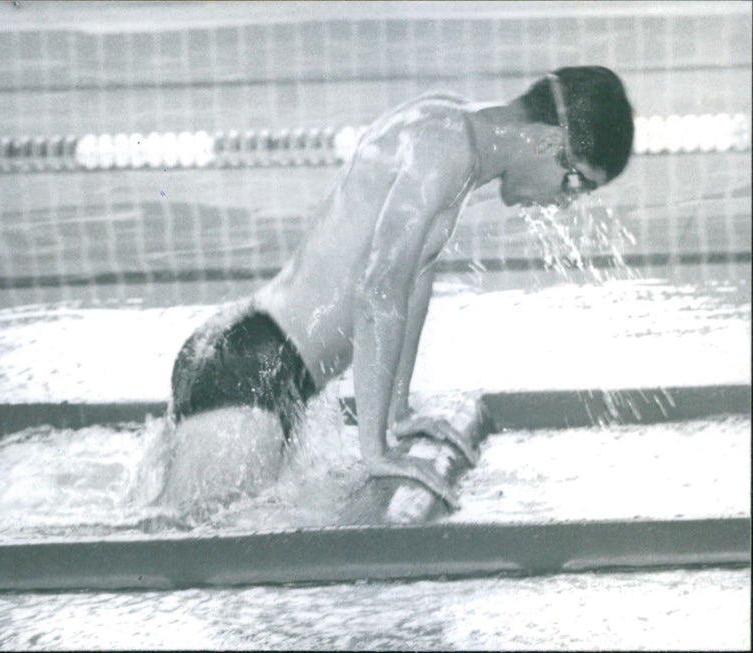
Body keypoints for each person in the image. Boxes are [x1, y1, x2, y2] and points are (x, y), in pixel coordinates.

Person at [169, 66, 634, 509]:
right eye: (576, 182)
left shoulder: (454, 129)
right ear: (549, 142)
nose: (565, 202)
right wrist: (375, 451)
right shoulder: (448, 146)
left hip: (268, 368)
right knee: (189, 560)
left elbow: (414, 281)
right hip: (247, 372)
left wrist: (397, 412)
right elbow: (380, 290)